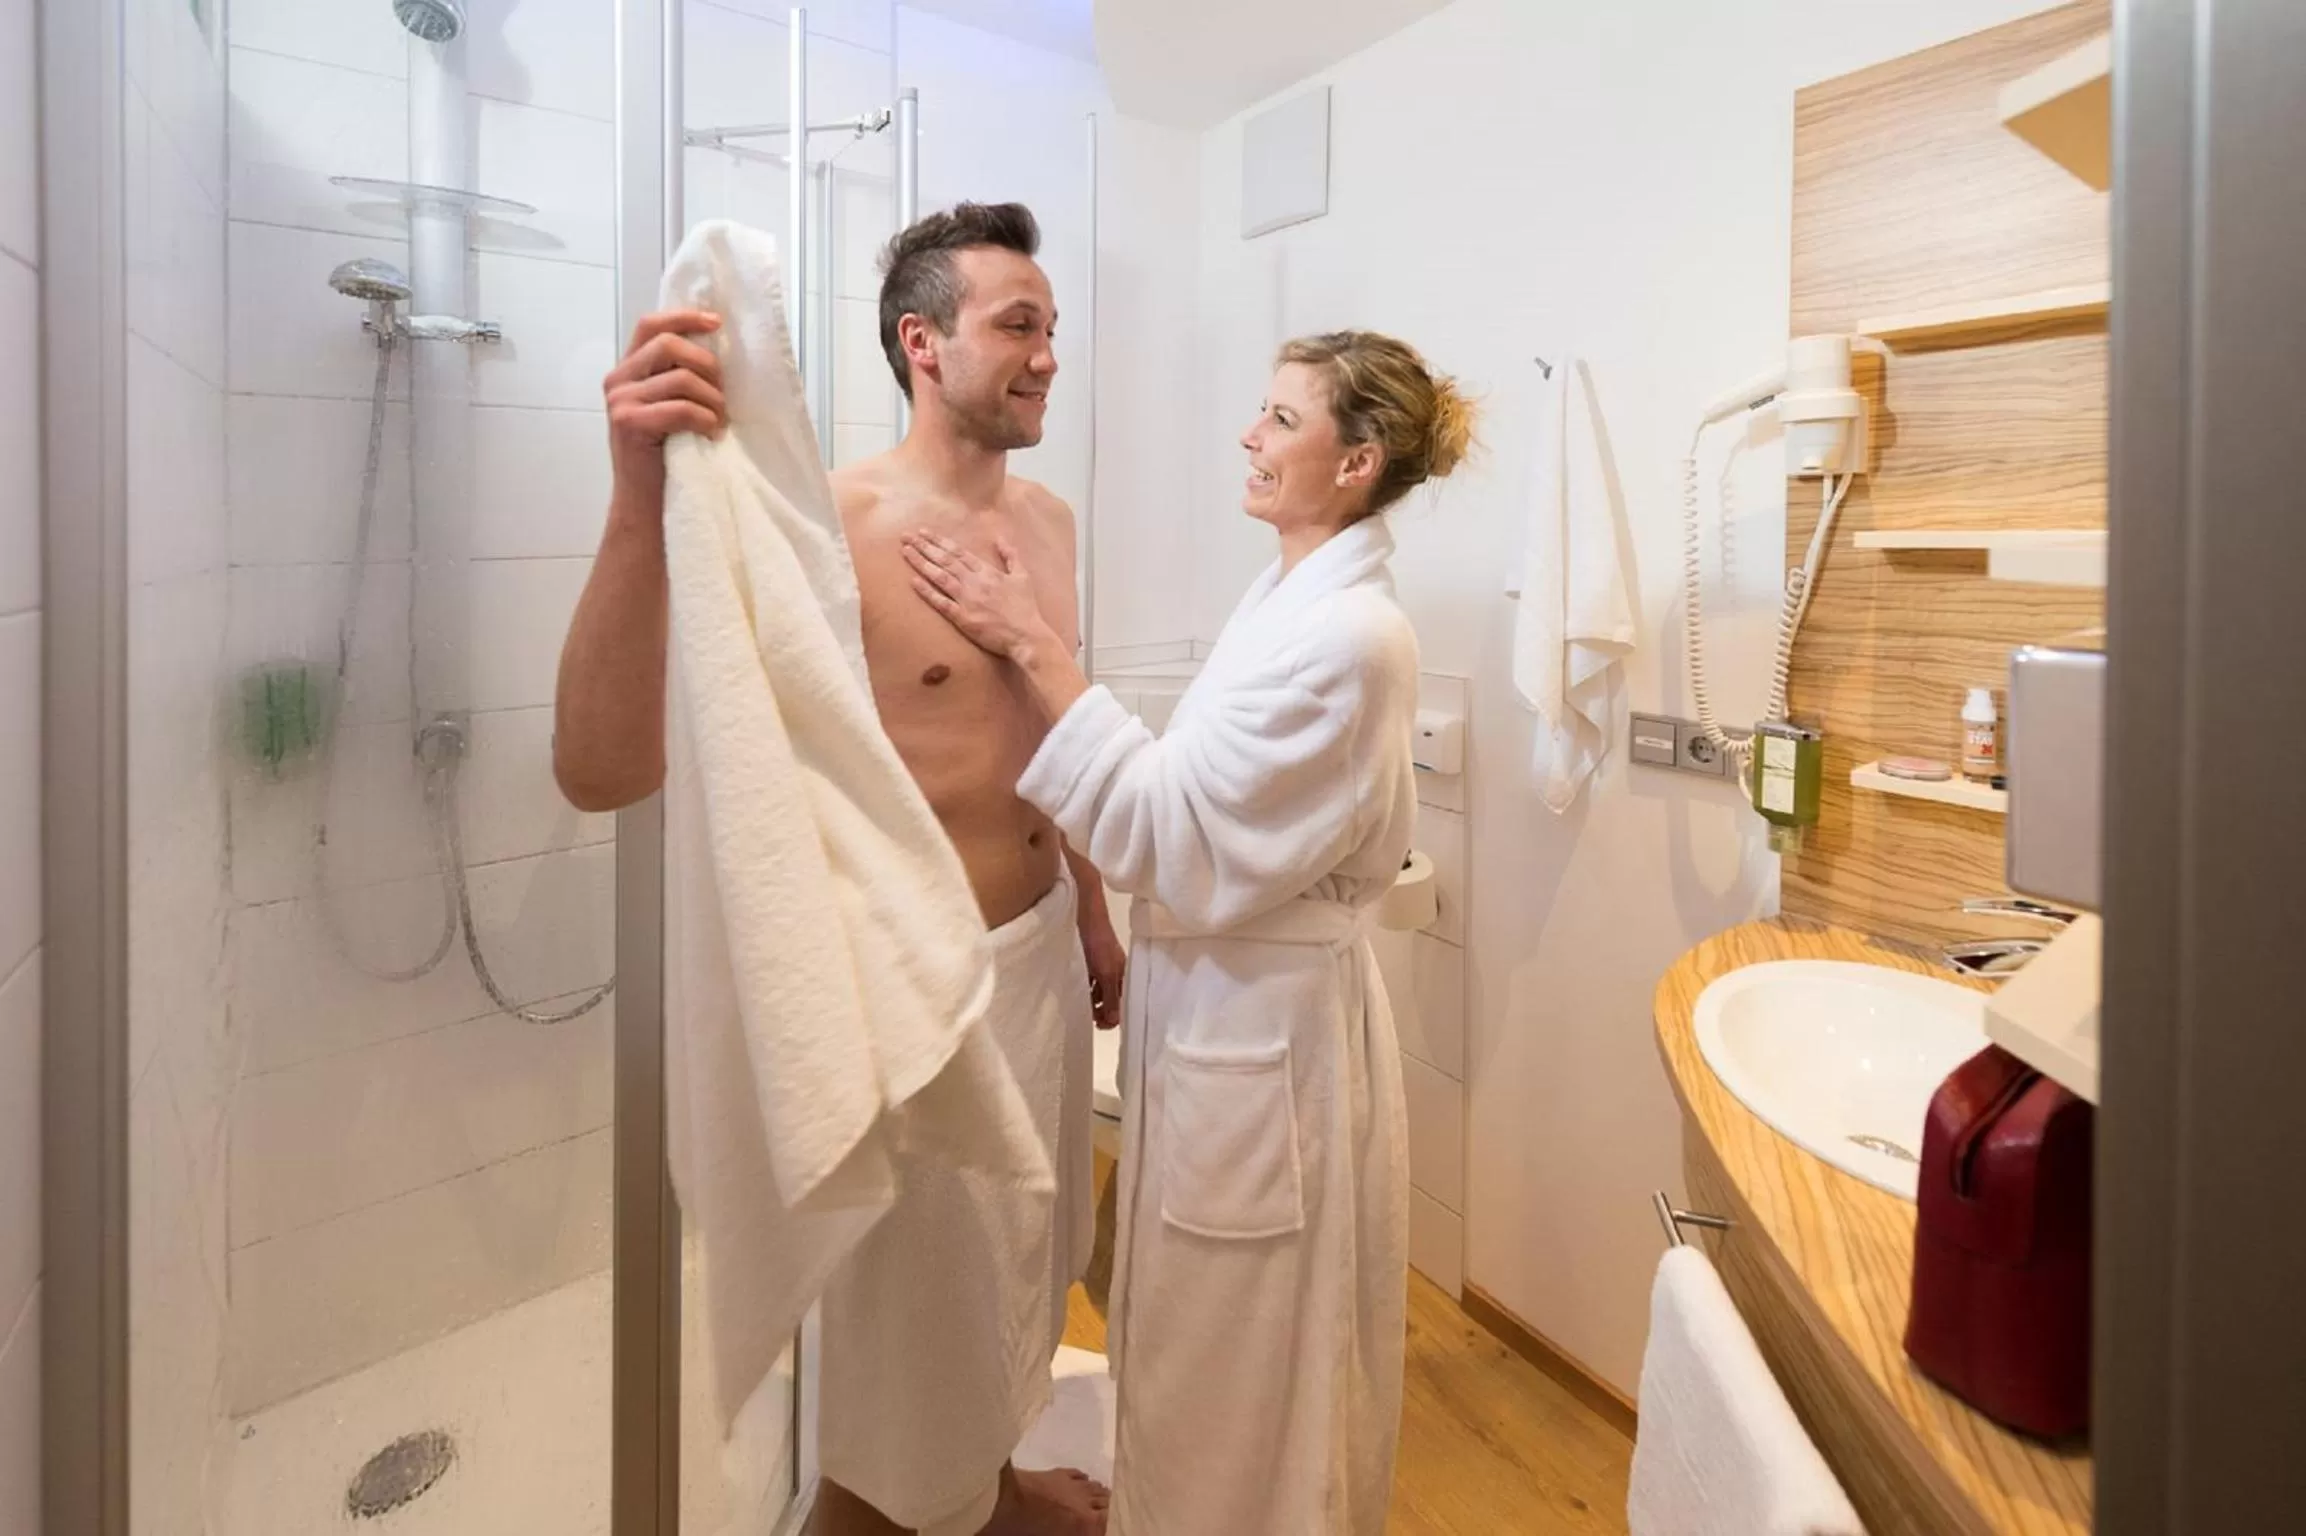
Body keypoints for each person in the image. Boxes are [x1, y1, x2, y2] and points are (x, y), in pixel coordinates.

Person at [552, 202, 1120, 1536]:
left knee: (1015, 1285)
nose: (1047, 355)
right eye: (1018, 326)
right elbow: (598, 766)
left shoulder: (1047, 520)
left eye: (1053, 328)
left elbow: (1050, 732)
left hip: (1038, 956)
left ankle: (994, 1491)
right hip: (916, 1002)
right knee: (896, 1380)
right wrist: (640, 492)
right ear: (922, 343)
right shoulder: (827, 528)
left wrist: (1091, 906)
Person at [901, 331, 1477, 1535]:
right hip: (1221, 1014)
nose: (1248, 437)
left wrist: (1029, 643)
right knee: (1198, 1348)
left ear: (1356, 460)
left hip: (1261, 1038)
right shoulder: (1288, 598)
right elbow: (1201, 799)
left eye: (1279, 420)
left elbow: (1168, 828)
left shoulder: (1349, 640)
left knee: (1242, 1371)